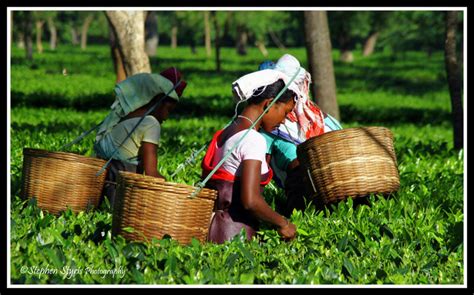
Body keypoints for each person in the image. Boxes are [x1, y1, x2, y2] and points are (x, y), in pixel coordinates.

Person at [201, 69, 299, 244]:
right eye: (285, 112)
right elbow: (250, 201)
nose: (284, 120)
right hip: (235, 238)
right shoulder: (253, 139)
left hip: (212, 231)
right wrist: (283, 224)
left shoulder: (225, 133)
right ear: (269, 104)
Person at [257, 54, 343, 216]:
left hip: (302, 198)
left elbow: (258, 173)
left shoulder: (271, 124)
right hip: (340, 188)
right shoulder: (324, 118)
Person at [93, 67, 187, 208]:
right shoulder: (151, 123)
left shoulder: (124, 118)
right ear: (158, 101)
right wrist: (173, 190)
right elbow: (151, 173)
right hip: (118, 196)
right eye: (168, 110)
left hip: (100, 192)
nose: (167, 117)